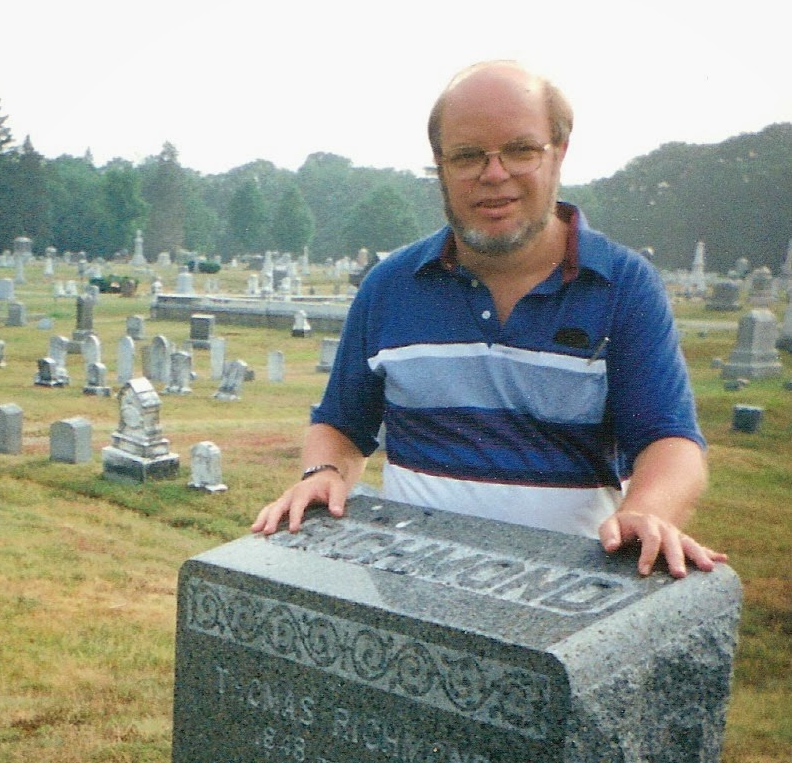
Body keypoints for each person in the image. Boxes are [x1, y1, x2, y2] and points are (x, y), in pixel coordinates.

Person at [252, 61, 725, 580]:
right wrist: (323, 472)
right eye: (467, 156)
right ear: (440, 165)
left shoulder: (623, 286)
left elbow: (669, 440)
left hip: (563, 590)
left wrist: (648, 509)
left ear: (559, 152)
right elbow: (342, 424)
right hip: (406, 582)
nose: (494, 174)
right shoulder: (389, 286)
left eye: (520, 150)